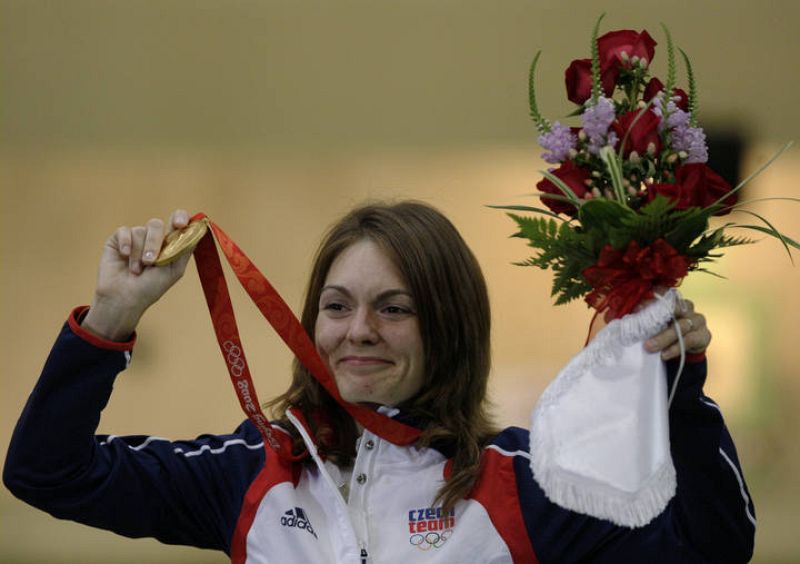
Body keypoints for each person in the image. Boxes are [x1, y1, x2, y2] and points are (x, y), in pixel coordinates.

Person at [4, 202, 755, 563]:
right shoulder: (250, 473)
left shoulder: (526, 485)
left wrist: (679, 392)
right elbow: (47, 472)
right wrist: (109, 320)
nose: (357, 330)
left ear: (448, 329)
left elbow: (713, 547)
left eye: (393, 309)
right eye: (336, 306)